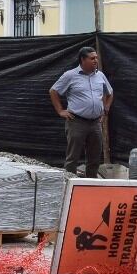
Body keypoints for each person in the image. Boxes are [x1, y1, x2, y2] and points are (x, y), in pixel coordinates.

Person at [50, 47, 113, 178]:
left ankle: (91, 184)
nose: (96, 60)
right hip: (77, 121)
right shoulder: (70, 75)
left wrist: (105, 108)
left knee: (94, 157)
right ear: (82, 60)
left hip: (95, 123)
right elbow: (54, 91)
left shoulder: (100, 75)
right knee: (73, 157)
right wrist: (60, 111)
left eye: (96, 57)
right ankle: (69, 183)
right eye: (92, 58)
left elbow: (110, 93)